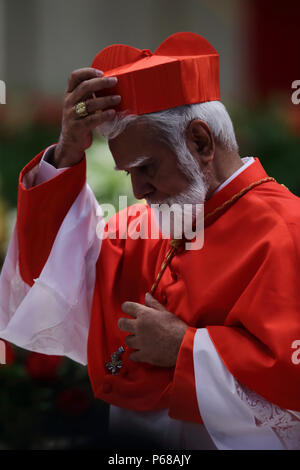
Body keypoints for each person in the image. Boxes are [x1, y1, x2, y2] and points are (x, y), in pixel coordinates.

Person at [0, 32, 300, 450]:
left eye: (146, 167)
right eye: (128, 174)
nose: (138, 190)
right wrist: (67, 152)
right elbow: (49, 285)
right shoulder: (137, 225)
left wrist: (186, 348)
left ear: (201, 141)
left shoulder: (288, 231)